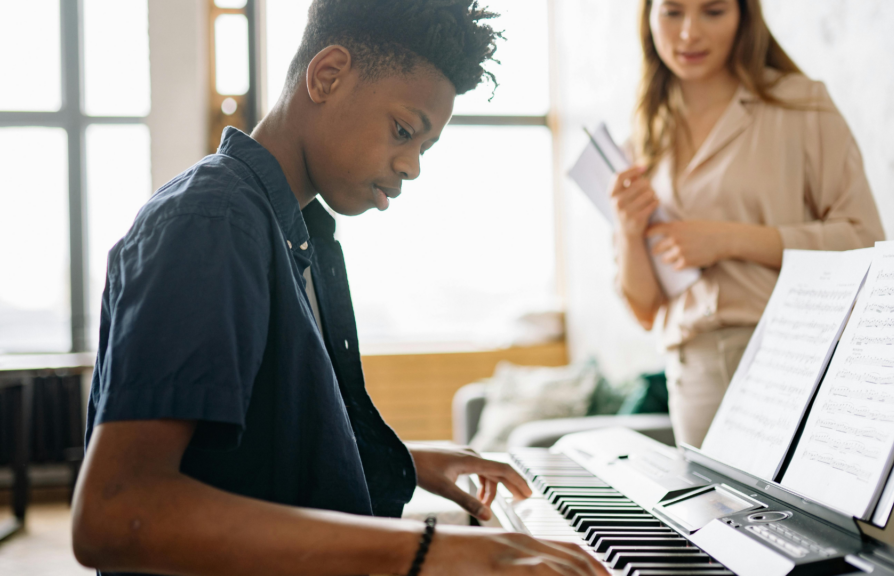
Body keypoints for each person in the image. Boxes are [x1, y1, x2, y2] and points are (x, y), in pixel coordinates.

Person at [70, 1, 608, 575]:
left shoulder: (300, 235)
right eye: (404, 131)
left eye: (424, 148)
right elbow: (116, 512)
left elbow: (264, 451)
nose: (412, 167)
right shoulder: (214, 222)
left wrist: (407, 462)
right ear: (327, 76)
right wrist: (430, 549)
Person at [610, 0, 885, 448]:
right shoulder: (641, 138)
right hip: (696, 373)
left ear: (744, 17)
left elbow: (865, 241)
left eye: (713, 12)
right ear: (649, 18)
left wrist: (729, 239)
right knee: (710, 518)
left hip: (797, 356)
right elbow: (645, 310)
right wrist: (626, 231)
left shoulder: (801, 105)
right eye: (672, 13)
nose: (688, 34)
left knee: (809, 518)